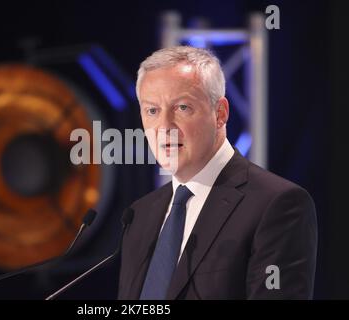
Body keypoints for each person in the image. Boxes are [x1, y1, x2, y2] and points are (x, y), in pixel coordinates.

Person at [118, 46, 317, 300]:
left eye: (182, 107)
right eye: (152, 111)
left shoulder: (277, 205)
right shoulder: (139, 215)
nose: (164, 127)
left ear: (220, 113)